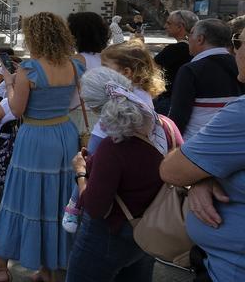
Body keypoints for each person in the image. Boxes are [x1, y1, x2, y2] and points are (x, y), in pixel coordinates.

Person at [0, 12, 83, 282]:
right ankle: (48, 269)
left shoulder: (30, 69)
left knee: (20, 197)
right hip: (64, 134)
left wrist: (11, 83)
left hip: (36, 136)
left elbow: (16, 108)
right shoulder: (75, 65)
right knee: (57, 199)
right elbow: (73, 103)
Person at [160, 24, 245, 282]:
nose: (235, 51)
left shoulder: (192, 69)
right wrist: (203, 174)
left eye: (239, 43)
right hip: (208, 157)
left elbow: (177, 122)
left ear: (199, 38)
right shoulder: (232, 70)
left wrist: (195, 172)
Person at [65, 81, 169, 281]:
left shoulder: (113, 149)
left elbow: (95, 208)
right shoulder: (166, 127)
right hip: (147, 233)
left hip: (112, 234)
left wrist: (80, 172)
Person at [169, 18, 243, 140]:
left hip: (196, 145)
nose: (188, 39)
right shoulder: (239, 66)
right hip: (235, 144)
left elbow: (178, 118)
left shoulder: (190, 70)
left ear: (200, 39)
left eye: (190, 34)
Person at [66, 12, 110, 133]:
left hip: (79, 118)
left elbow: (64, 93)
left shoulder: (76, 60)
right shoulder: (109, 58)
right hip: (105, 119)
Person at [153, 10, 199, 114]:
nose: (165, 26)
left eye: (169, 23)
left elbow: (150, 68)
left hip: (169, 100)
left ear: (180, 26)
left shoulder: (176, 49)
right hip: (189, 99)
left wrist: (139, 45)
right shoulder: (196, 47)